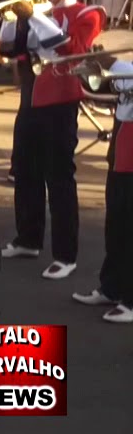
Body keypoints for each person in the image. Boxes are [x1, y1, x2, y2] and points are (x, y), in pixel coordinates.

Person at [0, 0, 104, 280]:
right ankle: (28, 237)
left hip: (61, 99)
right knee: (25, 168)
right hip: (31, 94)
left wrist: (36, 14)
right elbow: (10, 49)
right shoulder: (38, 7)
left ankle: (66, 253)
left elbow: (69, 47)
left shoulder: (89, 12)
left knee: (59, 177)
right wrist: (12, 19)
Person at [72, 58, 133, 323]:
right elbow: (105, 89)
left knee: (130, 231)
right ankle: (112, 288)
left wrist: (112, 65)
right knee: (115, 227)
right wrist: (96, 67)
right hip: (120, 152)